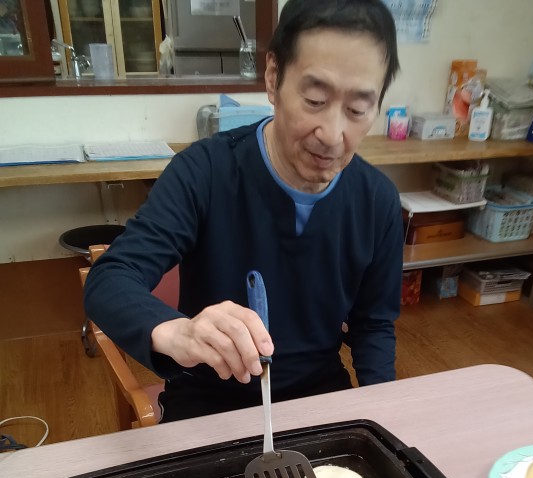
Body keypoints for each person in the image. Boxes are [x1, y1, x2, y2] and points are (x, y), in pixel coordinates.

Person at [84, 0, 403, 423]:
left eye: (358, 110)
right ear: (273, 78)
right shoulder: (205, 172)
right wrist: (178, 331)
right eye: (314, 99)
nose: (332, 134)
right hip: (208, 400)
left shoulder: (377, 201)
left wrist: (383, 415)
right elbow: (110, 279)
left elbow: (374, 325)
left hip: (318, 396)